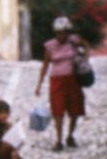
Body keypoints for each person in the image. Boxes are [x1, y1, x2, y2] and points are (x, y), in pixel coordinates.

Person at [34, 16, 88, 152]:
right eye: (58, 32)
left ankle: (70, 136)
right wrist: (39, 84)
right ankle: (58, 140)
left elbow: (86, 46)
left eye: (63, 32)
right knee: (57, 110)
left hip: (73, 80)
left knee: (75, 109)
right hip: (57, 81)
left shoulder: (74, 41)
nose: (61, 35)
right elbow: (45, 65)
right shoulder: (50, 45)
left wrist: (84, 61)